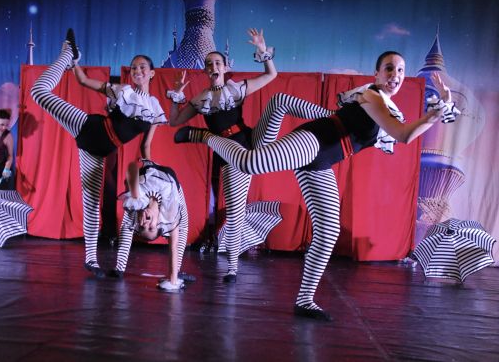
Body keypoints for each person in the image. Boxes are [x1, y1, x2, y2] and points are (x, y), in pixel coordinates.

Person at [175, 51, 459, 319]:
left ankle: (304, 300)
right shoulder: (372, 95)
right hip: (313, 140)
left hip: (324, 161)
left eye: (400, 70)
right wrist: (435, 113)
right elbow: (404, 135)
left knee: (329, 231)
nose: (395, 75)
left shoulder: (389, 108)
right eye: (389, 69)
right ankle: (202, 136)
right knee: (250, 163)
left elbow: (404, 133)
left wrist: (440, 111)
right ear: (377, 73)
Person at [30, 29, 167, 278]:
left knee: (91, 204)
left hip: (99, 150)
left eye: (142, 67)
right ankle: (66, 53)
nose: (137, 71)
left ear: (152, 73)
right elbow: (83, 81)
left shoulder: (155, 107)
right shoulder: (123, 90)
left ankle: (91, 260)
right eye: (133, 67)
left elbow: (146, 145)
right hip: (87, 126)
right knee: (38, 92)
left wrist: (150, 165)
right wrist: (74, 63)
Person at [167, 29, 296, 282]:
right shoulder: (201, 100)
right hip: (228, 156)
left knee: (279, 102)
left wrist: (262, 49)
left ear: (225, 68)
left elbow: (271, 75)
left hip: (249, 141)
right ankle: (233, 268)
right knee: (236, 213)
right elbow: (174, 121)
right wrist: (176, 96)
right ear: (206, 71)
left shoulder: (236, 90)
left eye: (218, 63)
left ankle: (314, 129)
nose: (213, 66)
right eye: (209, 64)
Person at [108, 159, 191, 291]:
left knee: (129, 220)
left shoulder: (136, 205)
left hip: (149, 174)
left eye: (142, 227)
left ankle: (119, 267)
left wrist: (131, 188)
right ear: (159, 222)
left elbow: (130, 171)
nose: (146, 223)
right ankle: (176, 272)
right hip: (171, 184)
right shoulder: (170, 213)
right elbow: (174, 244)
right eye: (151, 227)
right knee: (183, 225)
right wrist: (173, 280)